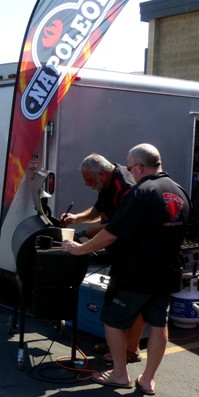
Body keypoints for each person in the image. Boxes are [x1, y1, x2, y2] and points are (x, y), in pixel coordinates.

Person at [62, 144, 190, 396]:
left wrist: (80, 249)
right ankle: (148, 380)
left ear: (140, 167)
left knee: (112, 321)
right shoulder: (180, 191)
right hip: (168, 272)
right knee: (158, 324)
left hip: (136, 272)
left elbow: (112, 232)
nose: (129, 171)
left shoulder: (140, 192)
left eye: (131, 167)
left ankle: (120, 374)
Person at [60, 153, 142, 364]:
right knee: (113, 298)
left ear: (102, 175)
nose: (87, 185)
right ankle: (117, 343)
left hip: (135, 252)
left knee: (126, 303)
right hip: (121, 251)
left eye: (89, 180)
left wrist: (86, 240)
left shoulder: (125, 187)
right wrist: (76, 218)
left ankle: (130, 350)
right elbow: (98, 211)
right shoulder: (107, 184)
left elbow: (117, 226)